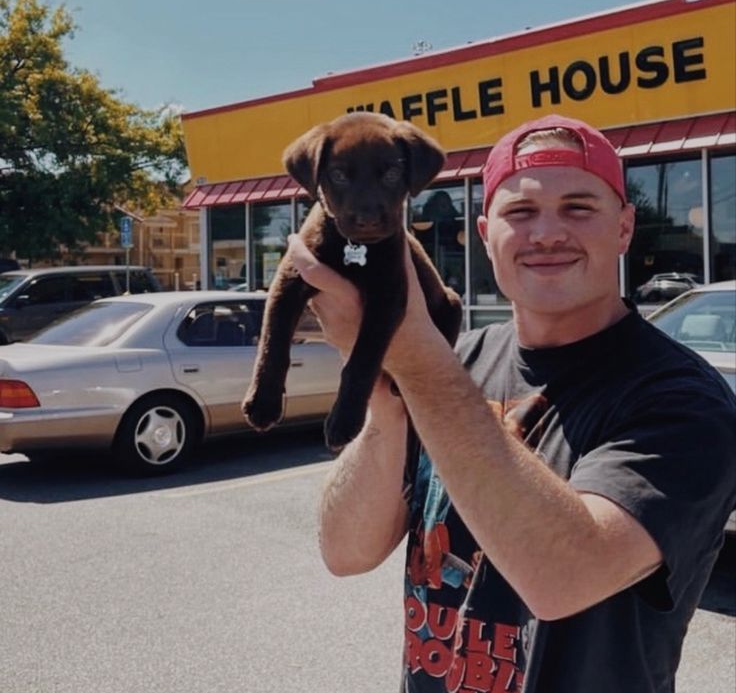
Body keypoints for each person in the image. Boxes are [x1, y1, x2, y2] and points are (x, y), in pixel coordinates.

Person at [287, 113, 736, 693]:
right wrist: (387, 386)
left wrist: (414, 359)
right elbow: (346, 550)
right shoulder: (456, 361)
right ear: (484, 234)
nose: (546, 233)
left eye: (579, 208)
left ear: (625, 228)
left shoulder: (681, 401)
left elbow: (561, 579)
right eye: (520, 213)